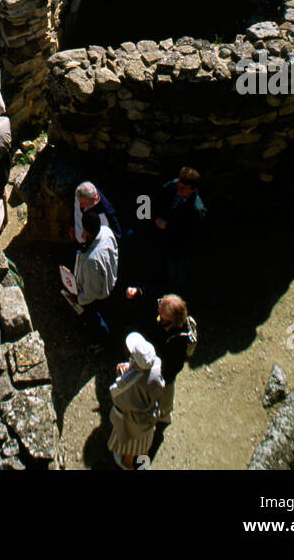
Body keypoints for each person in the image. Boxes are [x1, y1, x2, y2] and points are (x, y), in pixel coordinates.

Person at [125, 290, 193, 427]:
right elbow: (151, 299)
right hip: (155, 356)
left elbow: (174, 367)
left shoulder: (178, 339)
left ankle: (165, 415)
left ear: (170, 319)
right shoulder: (163, 308)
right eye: (160, 302)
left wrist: (158, 377)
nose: (158, 306)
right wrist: (138, 292)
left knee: (166, 392)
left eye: (161, 309)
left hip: (164, 371)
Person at [108, 332, 164, 471]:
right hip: (150, 418)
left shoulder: (131, 383)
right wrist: (131, 369)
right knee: (145, 447)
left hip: (133, 423)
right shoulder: (156, 367)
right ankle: (143, 467)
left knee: (131, 451)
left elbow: (116, 395)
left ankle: (127, 466)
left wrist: (123, 376)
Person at [65, 208, 119, 343]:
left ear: (88, 232)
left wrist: (78, 300)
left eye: (84, 230)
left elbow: (91, 293)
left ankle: (103, 342)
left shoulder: (91, 261)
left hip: (97, 298)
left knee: (96, 321)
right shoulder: (106, 231)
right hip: (111, 280)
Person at [152, 167, 206, 296]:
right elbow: (156, 199)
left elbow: (190, 235)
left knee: (177, 278)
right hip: (162, 241)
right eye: (179, 186)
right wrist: (155, 216)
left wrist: (168, 226)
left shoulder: (196, 210)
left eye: (183, 189)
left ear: (193, 189)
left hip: (179, 251)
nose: (179, 190)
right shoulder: (172, 186)